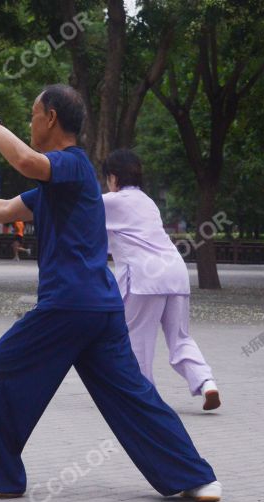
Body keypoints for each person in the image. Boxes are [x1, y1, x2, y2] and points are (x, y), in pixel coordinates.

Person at [0, 83, 222, 502]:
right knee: (132, 396)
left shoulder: (72, 166)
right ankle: (196, 477)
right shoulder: (56, 184)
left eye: (32, 115)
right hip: (100, 309)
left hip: (69, 305)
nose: (29, 122)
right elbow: (4, 209)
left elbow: (24, 159)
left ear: (52, 119)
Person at [101, 149, 220, 411]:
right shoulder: (148, 201)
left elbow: (79, 213)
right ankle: (206, 382)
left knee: (137, 339)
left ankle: (141, 397)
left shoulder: (112, 201)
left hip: (145, 277)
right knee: (180, 338)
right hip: (175, 272)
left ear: (112, 176)